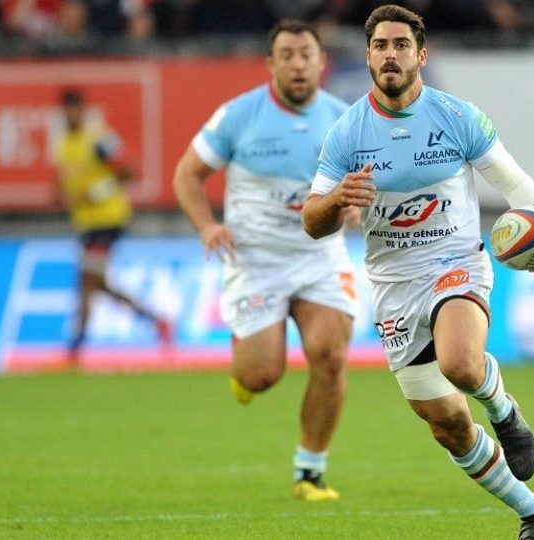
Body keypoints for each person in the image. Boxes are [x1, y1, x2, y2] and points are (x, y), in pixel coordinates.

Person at [302, 5, 534, 539]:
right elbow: (312, 221)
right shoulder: (347, 132)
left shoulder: (457, 116)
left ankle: (505, 411)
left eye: (401, 45)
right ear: (369, 55)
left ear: (421, 55)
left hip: (455, 264)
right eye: (380, 46)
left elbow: (517, 185)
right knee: (446, 426)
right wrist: (336, 200)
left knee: (462, 364)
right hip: (393, 287)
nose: (390, 55)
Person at [172, 19, 356, 502]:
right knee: (260, 374)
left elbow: (362, 184)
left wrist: (354, 201)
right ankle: (245, 366)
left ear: (321, 62)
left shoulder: (344, 120)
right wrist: (208, 226)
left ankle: (309, 473)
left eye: (306, 55)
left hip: (319, 256)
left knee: (331, 356)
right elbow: (187, 175)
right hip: (256, 261)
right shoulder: (238, 115)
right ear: (271, 64)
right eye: (288, 55)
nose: (298, 64)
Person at [54, 88, 171, 362]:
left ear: (82, 110)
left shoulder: (98, 138)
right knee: (95, 283)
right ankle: (156, 320)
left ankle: (75, 349)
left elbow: (129, 170)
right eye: (66, 111)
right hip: (85, 222)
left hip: (108, 218)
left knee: (87, 281)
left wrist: (94, 193)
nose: (71, 115)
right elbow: (68, 181)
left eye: (75, 109)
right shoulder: (63, 144)